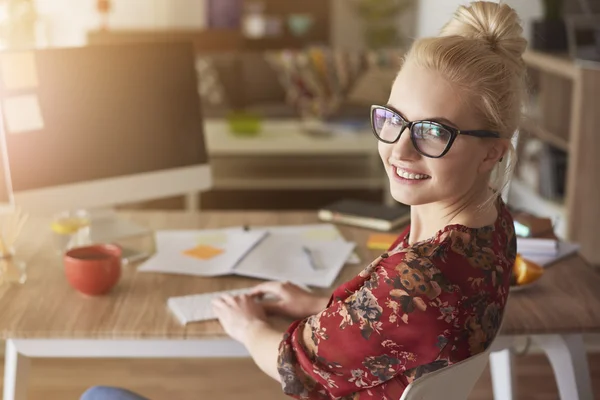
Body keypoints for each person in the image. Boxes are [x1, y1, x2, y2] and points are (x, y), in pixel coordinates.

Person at [80, 1, 523, 398]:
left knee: (100, 395)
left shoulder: (417, 282)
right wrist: (320, 304)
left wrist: (247, 325)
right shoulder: (490, 229)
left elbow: (292, 364)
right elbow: (409, 330)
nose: (399, 150)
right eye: (393, 119)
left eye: (433, 132)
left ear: (492, 152)